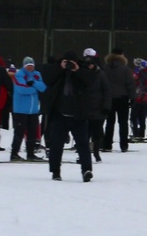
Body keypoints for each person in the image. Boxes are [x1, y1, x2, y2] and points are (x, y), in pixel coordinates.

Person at [47, 51, 93, 182]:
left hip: (78, 114)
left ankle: (86, 170)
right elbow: (48, 80)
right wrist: (60, 68)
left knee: (83, 144)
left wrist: (77, 70)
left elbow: (90, 81)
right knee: (56, 145)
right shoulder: (57, 69)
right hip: (60, 113)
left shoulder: (82, 70)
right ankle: (55, 171)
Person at [10, 56, 47, 161]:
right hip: (21, 109)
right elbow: (22, 89)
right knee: (19, 132)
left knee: (32, 132)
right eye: (28, 66)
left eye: (31, 66)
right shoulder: (19, 75)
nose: (30, 68)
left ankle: (30, 153)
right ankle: (14, 153)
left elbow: (43, 87)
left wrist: (33, 84)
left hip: (33, 110)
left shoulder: (37, 74)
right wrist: (35, 88)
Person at [80, 48, 111, 163]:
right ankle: (84, 154)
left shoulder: (100, 74)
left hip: (98, 109)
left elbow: (107, 90)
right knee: (84, 134)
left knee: (97, 133)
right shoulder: (81, 74)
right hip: (85, 109)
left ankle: (96, 152)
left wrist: (106, 106)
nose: (90, 66)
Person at [102, 47, 136, 152]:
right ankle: (124, 144)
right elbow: (130, 84)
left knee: (109, 122)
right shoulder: (125, 69)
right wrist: (132, 97)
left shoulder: (105, 68)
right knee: (123, 122)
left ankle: (107, 144)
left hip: (108, 98)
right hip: (122, 98)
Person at [130, 60, 147, 141]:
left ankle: (136, 133)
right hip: (146, 98)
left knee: (133, 116)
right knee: (142, 117)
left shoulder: (139, 73)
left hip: (138, 97)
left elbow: (134, 81)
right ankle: (141, 133)